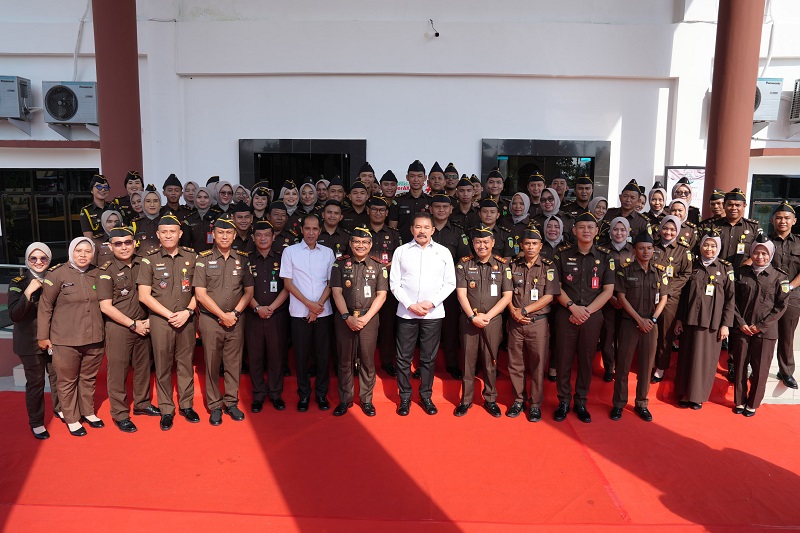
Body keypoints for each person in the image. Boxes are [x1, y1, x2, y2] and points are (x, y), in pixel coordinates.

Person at [138, 215, 201, 431]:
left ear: (180, 234)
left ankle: (186, 405)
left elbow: (200, 291)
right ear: (157, 234)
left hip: (186, 319)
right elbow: (144, 295)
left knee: (185, 364)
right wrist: (169, 315)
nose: (168, 235)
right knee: (163, 366)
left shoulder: (192, 257)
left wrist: (187, 311)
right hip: (161, 321)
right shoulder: (149, 259)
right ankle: (166, 409)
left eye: (172, 231)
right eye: (164, 231)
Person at [37, 237, 105, 437]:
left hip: (94, 338)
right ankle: (72, 418)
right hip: (65, 340)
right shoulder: (57, 274)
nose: (83, 255)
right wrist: (43, 336)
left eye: (87, 251)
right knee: (67, 381)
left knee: (88, 379)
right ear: (71, 252)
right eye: (78, 251)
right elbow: (45, 307)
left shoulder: (98, 273)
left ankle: (88, 412)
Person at [390, 212, 456, 416]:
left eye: (426, 227)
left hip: (433, 313)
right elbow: (394, 283)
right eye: (418, 227)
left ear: (433, 230)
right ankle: (405, 397)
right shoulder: (401, 251)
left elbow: (450, 283)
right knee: (403, 358)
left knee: (428, 357)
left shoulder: (443, 252)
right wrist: (410, 304)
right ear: (411, 229)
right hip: (406, 313)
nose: (422, 231)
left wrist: (431, 302)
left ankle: (426, 396)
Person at [553, 212, 615, 423]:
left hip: (592, 316)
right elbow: (556, 287)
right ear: (574, 230)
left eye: (590, 227)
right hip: (566, 314)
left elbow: (607, 291)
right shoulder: (561, 255)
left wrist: (585, 312)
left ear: (597, 231)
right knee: (564, 359)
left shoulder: (605, 257)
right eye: (582, 227)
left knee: (587, 361)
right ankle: (563, 401)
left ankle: (581, 401)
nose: (586, 231)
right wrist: (572, 307)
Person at [96, 227, 158, 433]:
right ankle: (120, 413)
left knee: (142, 368)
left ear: (134, 243)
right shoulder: (105, 270)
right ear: (111, 246)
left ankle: (142, 404)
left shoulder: (144, 263)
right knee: (118, 372)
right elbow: (106, 306)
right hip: (120, 328)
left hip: (144, 325)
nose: (124, 247)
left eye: (127, 242)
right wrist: (132, 324)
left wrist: (147, 321)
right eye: (118, 243)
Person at [194, 215, 254, 425]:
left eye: (229, 232)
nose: (225, 236)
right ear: (213, 235)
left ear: (235, 235)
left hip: (236, 319)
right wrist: (222, 316)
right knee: (212, 363)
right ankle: (214, 406)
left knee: (233, 363)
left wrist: (234, 314)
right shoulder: (202, 259)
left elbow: (248, 291)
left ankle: (231, 402)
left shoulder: (242, 259)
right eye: (221, 232)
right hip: (211, 320)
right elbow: (200, 294)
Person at [453, 225, 513, 418]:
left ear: (493, 243)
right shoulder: (464, 264)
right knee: (467, 361)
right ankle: (466, 400)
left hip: (492, 320)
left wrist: (488, 316)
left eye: (486, 241)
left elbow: (507, 296)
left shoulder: (503, 265)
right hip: (469, 319)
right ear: (473, 243)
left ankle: (490, 399)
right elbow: (461, 294)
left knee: (490, 361)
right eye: (478, 242)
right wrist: (472, 316)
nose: (482, 245)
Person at [329, 227, 388, 416]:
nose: (360, 245)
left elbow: (381, 295)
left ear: (370, 245)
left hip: (368, 318)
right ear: (351, 243)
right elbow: (336, 292)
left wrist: (365, 318)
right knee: (345, 360)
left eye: (364, 242)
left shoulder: (379, 266)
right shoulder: (339, 265)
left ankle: (366, 400)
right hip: (345, 317)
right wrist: (347, 317)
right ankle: (345, 399)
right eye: (356, 242)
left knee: (367, 361)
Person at [610, 232, 668, 422]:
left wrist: (652, 319)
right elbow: (621, 297)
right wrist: (639, 319)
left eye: (649, 248)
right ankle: (618, 404)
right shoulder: (625, 270)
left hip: (651, 325)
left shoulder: (660, 271)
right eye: (641, 248)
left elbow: (664, 298)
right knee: (623, 366)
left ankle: (642, 403)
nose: (646, 251)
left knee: (646, 367)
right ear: (634, 251)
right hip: (629, 324)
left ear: (653, 250)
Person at [280, 214, 336, 412]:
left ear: (319, 231)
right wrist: (309, 305)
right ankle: (303, 395)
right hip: (299, 312)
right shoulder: (290, 252)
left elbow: (331, 283)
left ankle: (321, 394)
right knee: (301, 357)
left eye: (315, 229)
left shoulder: (328, 253)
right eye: (307, 229)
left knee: (322, 357)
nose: (311, 233)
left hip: (323, 312)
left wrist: (318, 305)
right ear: (301, 230)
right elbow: (288, 283)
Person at [673, 230, 734, 409]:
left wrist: (725, 324)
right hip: (690, 321)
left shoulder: (725, 268)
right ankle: (685, 394)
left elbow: (731, 299)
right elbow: (683, 296)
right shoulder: (693, 265)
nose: (709, 249)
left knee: (704, 361)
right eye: (706, 244)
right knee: (687, 359)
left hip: (712, 324)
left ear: (719, 248)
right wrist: (679, 320)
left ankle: (697, 397)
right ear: (701, 246)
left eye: (713, 245)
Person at [730, 234, 789, 417]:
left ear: (770, 254)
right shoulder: (740, 274)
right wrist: (741, 323)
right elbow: (732, 302)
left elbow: (781, 306)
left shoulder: (779, 277)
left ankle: (752, 403)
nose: (760, 257)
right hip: (742, 329)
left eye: (764, 253)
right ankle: (739, 401)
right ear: (751, 252)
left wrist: (761, 326)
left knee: (760, 369)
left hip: (765, 332)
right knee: (740, 367)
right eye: (756, 252)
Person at [506, 228, 559, 422]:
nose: (530, 247)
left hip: (537, 323)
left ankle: (535, 404)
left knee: (538, 365)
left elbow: (550, 295)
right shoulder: (512, 264)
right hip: (514, 322)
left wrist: (525, 311)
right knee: (515, 364)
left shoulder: (548, 266)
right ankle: (518, 400)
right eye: (527, 243)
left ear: (540, 246)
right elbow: (507, 291)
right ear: (521, 245)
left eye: (534, 243)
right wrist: (513, 311)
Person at [9, 243, 61, 439]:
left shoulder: (54, 278)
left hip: (53, 339)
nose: (39, 262)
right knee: (36, 382)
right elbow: (15, 315)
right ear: (27, 260)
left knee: (57, 377)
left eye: (43, 258)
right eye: (33, 258)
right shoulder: (19, 282)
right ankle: (37, 422)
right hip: (29, 342)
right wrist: (28, 292)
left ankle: (60, 410)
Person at [246, 221, 290, 413]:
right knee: (255, 357)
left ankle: (275, 393)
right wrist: (257, 308)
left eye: (267, 235)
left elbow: (288, 287)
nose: (262, 238)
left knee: (276, 356)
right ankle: (258, 395)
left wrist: (270, 308)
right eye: (259, 235)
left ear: (273, 237)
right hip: (253, 315)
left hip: (276, 315)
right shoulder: (246, 259)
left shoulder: (283, 258)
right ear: (253, 237)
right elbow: (242, 289)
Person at [430, 193, 471, 379]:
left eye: (444, 207)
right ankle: (426, 366)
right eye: (437, 207)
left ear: (450, 209)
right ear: (430, 209)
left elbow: (464, 260)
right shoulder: (423, 229)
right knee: (427, 328)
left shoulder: (457, 232)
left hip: (449, 289)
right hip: (426, 287)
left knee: (451, 328)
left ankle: (452, 364)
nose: (441, 210)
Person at [650, 215, 693, 383]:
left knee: (665, 334)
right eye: (666, 228)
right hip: (650, 296)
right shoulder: (652, 246)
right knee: (650, 332)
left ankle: (660, 367)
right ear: (660, 229)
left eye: (673, 229)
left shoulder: (683, 250)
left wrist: (667, 291)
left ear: (678, 231)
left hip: (671, 299)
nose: (668, 232)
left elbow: (686, 274)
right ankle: (649, 363)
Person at [365, 196, 402, 377]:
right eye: (374, 210)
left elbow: (400, 259)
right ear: (368, 211)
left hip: (387, 288)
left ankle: (387, 361)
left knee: (387, 326)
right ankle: (361, 362)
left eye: (382, 210)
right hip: (363, 287)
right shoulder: (361, 233)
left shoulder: (394, 234)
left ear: (387, 213)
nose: (378, 213)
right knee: (364, 326)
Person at [598, 217, 634, 382]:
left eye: (622, 230)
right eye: (615, 229)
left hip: (628, 301)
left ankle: (622, 367)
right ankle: (609, 367)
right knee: (607, 335)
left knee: (624, 336)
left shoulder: (633, 251)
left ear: (627, 232)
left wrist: (622, 297)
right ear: (610, 231)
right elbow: (597, 276)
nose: (619, 233)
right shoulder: (602, 250)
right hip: (608, 301)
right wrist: (611, 297)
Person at [770, 202, 800, 389]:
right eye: (779, 217)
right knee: (764, 334)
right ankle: (757, 367)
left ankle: (786, 371)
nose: (783, 221)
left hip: (792, 295)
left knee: (787, 334)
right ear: (773, 220)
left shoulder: (799, 243)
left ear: (794, 221)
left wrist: (789, 286)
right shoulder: (765, 242)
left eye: (787, 218)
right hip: (767, 296)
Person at [391, 160, 431, 244]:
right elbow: (392, 229)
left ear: (425, 178)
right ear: (407, 177)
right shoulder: (398, 201)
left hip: (426, 247)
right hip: (403, 247)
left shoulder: (431, 201)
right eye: (412, 176)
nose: (416, 179)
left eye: (419, 176)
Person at [181, 186, 222, 252]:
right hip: (195, 258)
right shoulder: (189, 218)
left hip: (215, 257)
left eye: (206, 197)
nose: (202, 200)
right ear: (195, 199)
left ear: (210, 199)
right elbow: (185, 243)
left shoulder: (218, 216)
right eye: (199, 197)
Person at [80, 174, 113, 239]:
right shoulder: (86, 211)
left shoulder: (113, 207)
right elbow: (89, 238)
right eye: (99, 187)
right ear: (92, 190)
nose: (103, 190)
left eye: (106, 187)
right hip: (97, 246)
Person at [134, 185, 164, 255]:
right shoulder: (135, 224)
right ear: (143, 203)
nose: (152, 204)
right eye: (148, 201)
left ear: (160, 203)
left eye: (155, 201)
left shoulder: (166, 222)